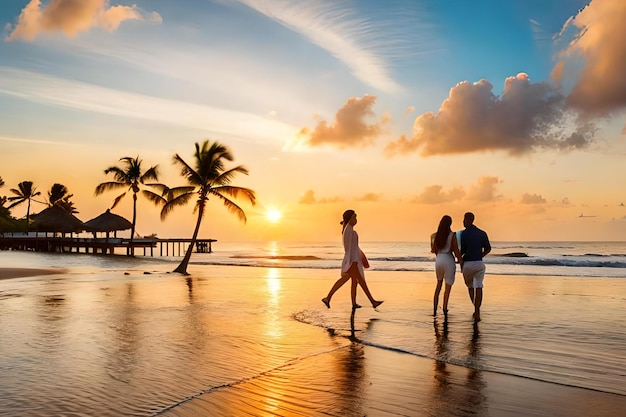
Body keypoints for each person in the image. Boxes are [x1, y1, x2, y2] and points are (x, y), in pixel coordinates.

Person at [322, 210, 384, 310]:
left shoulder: (349, 229)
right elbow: (350, 249)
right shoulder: (349, 230)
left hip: (353, 259)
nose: (356, 219)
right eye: (355, 217)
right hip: (352, 261)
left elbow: (355, 247)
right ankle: (372, 302)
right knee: (361, 282)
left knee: (353, 282)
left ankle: (350, 302)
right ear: (350, 218)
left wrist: (362, 258)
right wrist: (353, 262)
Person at [460, 212, 491, 322]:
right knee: (479, 287)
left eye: (464, 219)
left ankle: (475, 308)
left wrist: (460, 261)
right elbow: (488, 248)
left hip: (468, 264)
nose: (463, 221)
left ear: (468, 220)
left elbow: (462, 251)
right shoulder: (482, 233)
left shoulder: (463, 234)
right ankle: (477, 310)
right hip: (479, 263)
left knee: (470, 287)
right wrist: (481, 255)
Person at [430, 215, 462, 317]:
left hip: (438, 259)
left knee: (438, 285)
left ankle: (434, 309)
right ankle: (444, 308)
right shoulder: (452, 235)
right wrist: (461, 263)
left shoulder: (434, 236)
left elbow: (434, 250)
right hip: (448, 259)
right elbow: (456, 251)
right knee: (447, 288)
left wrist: (440, 256)